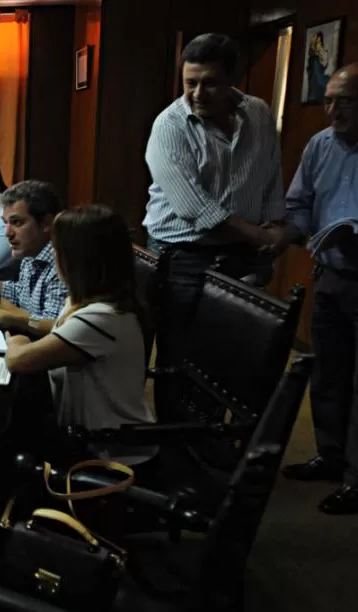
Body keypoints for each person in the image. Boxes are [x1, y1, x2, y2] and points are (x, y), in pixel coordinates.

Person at [142, 33, 286, 420]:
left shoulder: (257, 112)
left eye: (210, 82)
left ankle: (208, 438)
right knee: (179, 355)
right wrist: (260, 235)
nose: (198, 93)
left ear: (232, 80)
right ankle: (176, 445)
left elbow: (270, 176)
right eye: (190, 83)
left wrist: (274, 227)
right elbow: (195, 209)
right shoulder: (170, 125)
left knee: (229, 354)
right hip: (183, 256)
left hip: (242, 253)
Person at [3, 205, 154, 462]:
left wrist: (15, 337)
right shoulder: (84, 301)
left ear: (76, 260)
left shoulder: (101, 317)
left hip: (109, 453)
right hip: (85, 437)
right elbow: (65, 332)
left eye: (57, 250)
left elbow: (18, 359)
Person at [280, 63, 358, 515]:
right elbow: (300, 203)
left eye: (343, 101)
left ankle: (356, 477)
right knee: (328, 372)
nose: (332, 110)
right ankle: (329, 455)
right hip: (330, 276)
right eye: (328, 99)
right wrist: (281, 238)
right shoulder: (318, 146)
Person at [0, 180, 67, 334]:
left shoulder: (63, 263)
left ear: (46, 223)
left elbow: (52, 327)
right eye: (6, 223)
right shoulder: (31, 253)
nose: (7, 233)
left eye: (17, 222)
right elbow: (22, 296)